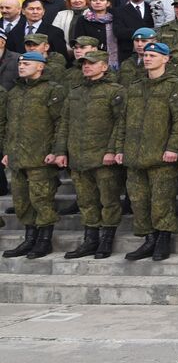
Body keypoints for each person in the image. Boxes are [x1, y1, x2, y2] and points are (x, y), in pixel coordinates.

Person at [115, 42, 178, 262]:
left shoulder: (175, 86)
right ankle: (148, 239)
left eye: (153, 55)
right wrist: (119, 148)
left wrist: (173, 148)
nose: (148, 58)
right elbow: (123, 121)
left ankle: (163, 239)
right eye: (146, 55)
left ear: (166, 59)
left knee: (161, 200)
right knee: (138, 200)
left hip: (161, 155)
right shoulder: (135, 87)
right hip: (135, 154)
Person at [52, 49, 124, 259]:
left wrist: (112, 150)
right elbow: (64, 123)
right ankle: (90, 239)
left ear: (104, 66)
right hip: (78, 156)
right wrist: (60, 151)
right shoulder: (74, 91)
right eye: (84, 63)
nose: (86, 66)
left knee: (109, 200)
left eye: (91, 63)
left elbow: (121, 124)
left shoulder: (115, 90)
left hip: (103, 157)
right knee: (86, 200)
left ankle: (107, 239)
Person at [1, 52, 67, 259]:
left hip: (41, 156)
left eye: (27, 63)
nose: (21, 66)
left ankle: (44, 240)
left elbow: (61, 123)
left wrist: (57, 151)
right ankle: (29, 238)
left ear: (40, 67)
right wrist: (6, 151)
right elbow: (7, 123)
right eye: (20, 63)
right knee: (22, 201)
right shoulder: (15, 92)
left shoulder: (52, 90)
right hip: (18, 156)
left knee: (42, 200)